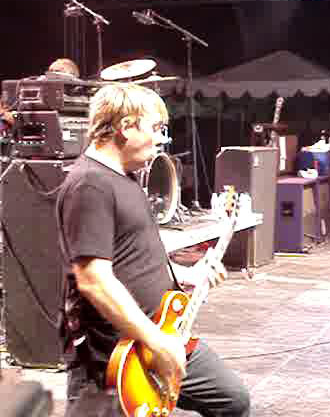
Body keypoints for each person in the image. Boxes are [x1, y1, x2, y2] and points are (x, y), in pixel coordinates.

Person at [56, 82, 250, 416]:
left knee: (232, 400)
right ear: (125, 126)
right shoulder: (90, 184)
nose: (162, 138)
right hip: (116, 354)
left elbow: (133, 252)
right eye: (156, 128)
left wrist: (188, 274)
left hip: (162, 331)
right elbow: (93, 280)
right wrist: (155, 342)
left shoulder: (126, 177)